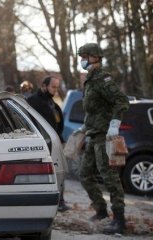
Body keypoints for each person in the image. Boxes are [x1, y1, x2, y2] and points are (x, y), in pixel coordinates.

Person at [75, 43, 129, 234]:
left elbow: (121, 101)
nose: (81, 59)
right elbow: (94, 109)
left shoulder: (102, 78)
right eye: (81, 56)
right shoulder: (90, 79)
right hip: (93, 133)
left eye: (84, 56)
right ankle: (101, 210)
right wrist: (83, 127)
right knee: (84, 174)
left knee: (110, 177)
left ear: (95, 57)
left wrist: (114, 124)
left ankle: (119, 220)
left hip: (104, 136)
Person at [27, 76, 70, 212]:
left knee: (59, 172)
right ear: (44, 86)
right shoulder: (34, 101)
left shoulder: (52, 103)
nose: (55, 90)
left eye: (57, 87)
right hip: (42, 144)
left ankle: (60, 201)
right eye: (53, 87)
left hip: (55, 143)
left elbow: (58, 122)